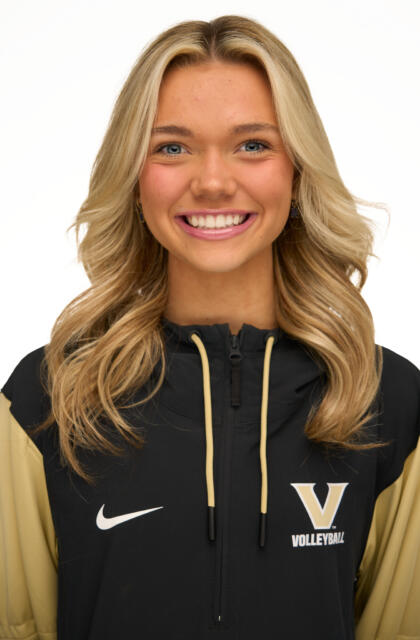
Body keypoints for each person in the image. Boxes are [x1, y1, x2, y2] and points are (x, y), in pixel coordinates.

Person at [0, 14, 419, 640]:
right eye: (172, 147)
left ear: (297, 170)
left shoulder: (386, 403)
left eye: (253, 145)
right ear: (133, 176)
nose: (214, 182)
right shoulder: (47, 399)